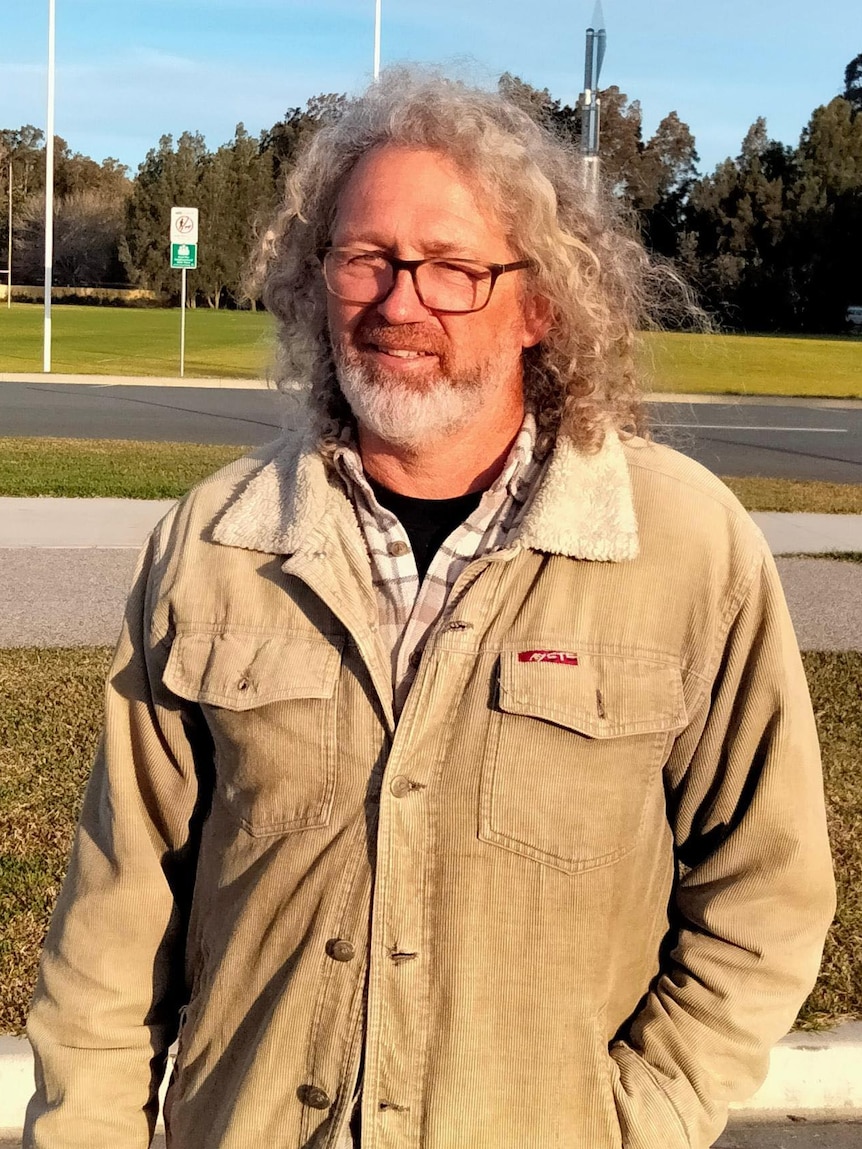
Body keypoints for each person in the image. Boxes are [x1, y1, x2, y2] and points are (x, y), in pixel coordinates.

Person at [26, 71, 835, 1149]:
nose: (400, 302)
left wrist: (635, 1119)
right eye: (365, 258)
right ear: (317, 282)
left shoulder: (688, 546)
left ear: (541, 300)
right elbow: (116, 917)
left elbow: (766, 892)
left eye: (454, 268)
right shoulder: (210, 543)